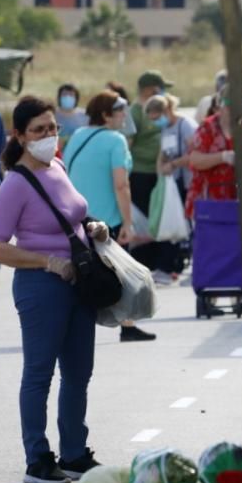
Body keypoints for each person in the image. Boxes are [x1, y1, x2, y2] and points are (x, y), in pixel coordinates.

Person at [0, 96, 109, 483]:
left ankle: (74, 453)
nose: (48, 136)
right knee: (39, 374)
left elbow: (70, 213)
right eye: (38, 130)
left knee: (79, 372)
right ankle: (37, 458)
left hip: (79, 282)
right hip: (42, 286)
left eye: (52, 128)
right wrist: (47, 262)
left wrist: (93, 228)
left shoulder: (57, 164)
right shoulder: (15, 183)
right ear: (19, 136)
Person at [64, 90, 155, 342]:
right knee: (119, 276)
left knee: (85, 274)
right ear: (105, 115)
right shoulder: (116, 140)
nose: (124, 115)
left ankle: (84, 325)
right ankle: (127, 323)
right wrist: (128, 222)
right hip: (107, 221)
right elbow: (121, 185)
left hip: (79, 217)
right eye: (119, 111)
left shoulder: (78, 135)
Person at [185, 86, 242, 219]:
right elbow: (194, 160)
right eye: (229, 106)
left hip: (239, 202)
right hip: (208, 201)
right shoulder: (208, 127)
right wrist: (223, 157)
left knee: (237, 239)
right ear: (220, 106)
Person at [129, 71, 173, 270]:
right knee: (144, 220)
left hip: (159, 173)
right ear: (147, 89)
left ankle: (158, 263)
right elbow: (129, 144)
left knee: (157, 217)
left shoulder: (160, 108)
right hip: (140, 174)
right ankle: (143, 263)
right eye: (158, 88)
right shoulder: (136, 112)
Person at [154, 94, 196, 279]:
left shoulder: (185, 125)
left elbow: (195, 153)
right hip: (172, 183)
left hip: (188, 181)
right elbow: (163, 154)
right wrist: (161, 167)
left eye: (156, 117)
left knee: (189, 223)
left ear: (166, 111)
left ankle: (188, 261)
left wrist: (174, 164)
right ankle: (171, 265)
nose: (156, 122)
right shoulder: (165, 129)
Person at [54, 83, 88, 147]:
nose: (68, 97)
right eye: (64, 94)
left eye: (71, 95)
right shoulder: (52, 115)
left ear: (76, 98)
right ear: (59, 97)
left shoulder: (85, 116)